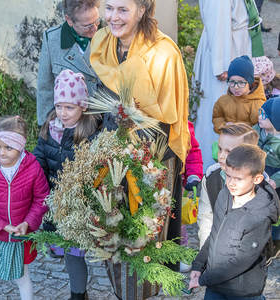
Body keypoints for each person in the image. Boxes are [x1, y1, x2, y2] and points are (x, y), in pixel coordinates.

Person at [90, 0, 190, 272]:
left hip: (153, 152)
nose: (113, 17)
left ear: (142, 10)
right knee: (116, 229)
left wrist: (137, 155)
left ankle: (157, 284)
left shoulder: (163, 53)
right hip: (114, 148)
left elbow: (166, 117)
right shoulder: (102, 42)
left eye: (123, 9)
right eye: (109, 7)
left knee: (151, 232)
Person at [33, 69, 100, 300]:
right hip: (53, 202)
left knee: (74, 253)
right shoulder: (50, 128)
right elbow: (38, 159)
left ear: (83, 106)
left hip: (77, 207)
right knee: (58, 245)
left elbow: (94, 171)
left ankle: (78, 294)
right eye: (59, 106)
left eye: (69, 107)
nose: (63, 113)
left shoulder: (89, 132)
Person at [189, 144, 280, 299]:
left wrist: (203, 279)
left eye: (239, 178)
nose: (231, 183)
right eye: (228, 175)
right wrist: (199, 264)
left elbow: (241, 261)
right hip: (215, 286)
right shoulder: (225, 195)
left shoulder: (259, 217)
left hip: (242, 291)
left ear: (257, 179)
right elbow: (215, 233)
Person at [0, 116, 49, 300]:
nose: (1, 153)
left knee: (22, 277)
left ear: (20, 147)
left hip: (19, 235)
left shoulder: (32, 168)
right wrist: (2, 225)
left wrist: (28, 223)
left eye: (8, 147)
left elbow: (42, 198)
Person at [193, 0, 263, 171]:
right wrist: (222, 63)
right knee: (221, 105)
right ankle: (212, 167)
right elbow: (217, 19)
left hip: (234, 40)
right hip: (226, 48)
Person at [36, 0, 102, 127]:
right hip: (67, 125)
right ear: (69, 20)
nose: (95, 28)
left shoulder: (110, 36)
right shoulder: (52, 39)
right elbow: (45, 89)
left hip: (100, 124)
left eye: (97, 20)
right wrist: (45, 128)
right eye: (87, 25)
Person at [198, 123, 260, 248]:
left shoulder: (260, 183)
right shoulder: (210, 178)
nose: (220, 156)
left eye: (229, 151)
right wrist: (207, 250)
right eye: (220, 148)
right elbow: (206, 217)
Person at [253, 97, 280, 263]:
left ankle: (275, 242)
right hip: (258, 176)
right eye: (260, 112)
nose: (260, 117)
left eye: (265, 115)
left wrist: (276, 179)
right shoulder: (255, 132)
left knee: (275, 212)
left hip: (275, 181)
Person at [212, 55, 266, 134]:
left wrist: (240, 131)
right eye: (232, 82)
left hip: (248, 144)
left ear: (249, 82)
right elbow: (217, 117)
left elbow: (260, 128)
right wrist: (224, 126)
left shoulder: (257, 104)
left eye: (241, 82)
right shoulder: (223, 101)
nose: (236, 87)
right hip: (228, 141)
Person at [180, 120, 203, 273]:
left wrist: (193, 174)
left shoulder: (181, 122)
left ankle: (182, 250)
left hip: (175, 178)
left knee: (177, 217)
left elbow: (193, 151)